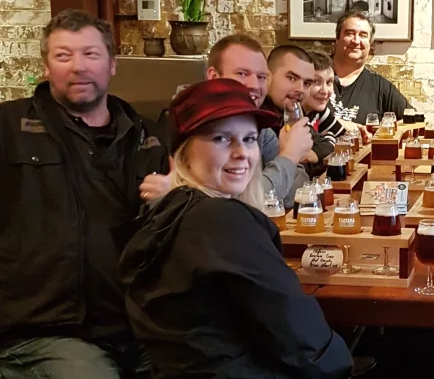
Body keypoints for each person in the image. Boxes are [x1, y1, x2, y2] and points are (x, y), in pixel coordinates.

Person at [0, 9, 167, 378]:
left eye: (91, 54)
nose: (78, 66)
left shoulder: (148, 137)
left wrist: (181, 190)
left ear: (112, 64)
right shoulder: (2, 128)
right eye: (63, 55)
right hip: (40, 332)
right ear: (46, 67)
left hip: (137, 326)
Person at [118, 78, 354, 378]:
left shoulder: (171, 213)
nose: (242, 152)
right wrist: (341, 366)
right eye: (221, 139)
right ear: (184, 152)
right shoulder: (221, 221)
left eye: (249, 138)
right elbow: (297, 332)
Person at [203, 34, 313, 208]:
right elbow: (238, 207)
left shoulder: (260, 128)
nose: (254, 85)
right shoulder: (199, 130)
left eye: (261, 77)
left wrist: (274, 180)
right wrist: (290, 156)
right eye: (242, 73)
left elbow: (299, 189)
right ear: (214, 77)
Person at [330, 11, 411, 124]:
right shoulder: (313, 74)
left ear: (370, 43)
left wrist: (383, 133)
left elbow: (414, 121)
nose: (356, 41)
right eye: (349, 33)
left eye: (363, 35)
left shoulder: (379, 86)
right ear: (337, 39)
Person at [266, 45, 333, 177]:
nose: (300, 89)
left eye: (307, 83)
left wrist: (309, 156)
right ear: (267, 77)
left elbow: (327, 146)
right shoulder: (257, 123)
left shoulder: (291, 115)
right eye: (292, 78)